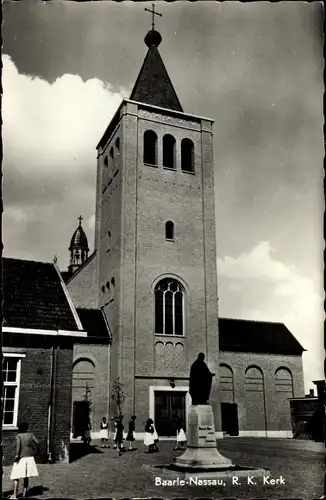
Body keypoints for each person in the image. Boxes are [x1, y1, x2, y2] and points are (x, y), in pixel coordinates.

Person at [10, 422, 39, 499]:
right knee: (26, 476)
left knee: (15, 476)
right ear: (27, 428)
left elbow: (18, 446)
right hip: (30, 458)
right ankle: (24, 494)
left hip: (21, 457)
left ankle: (14, 494)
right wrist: (33, 450)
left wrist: (16, 455)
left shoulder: (18, 436)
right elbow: (37, 442)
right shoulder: (31, 435)